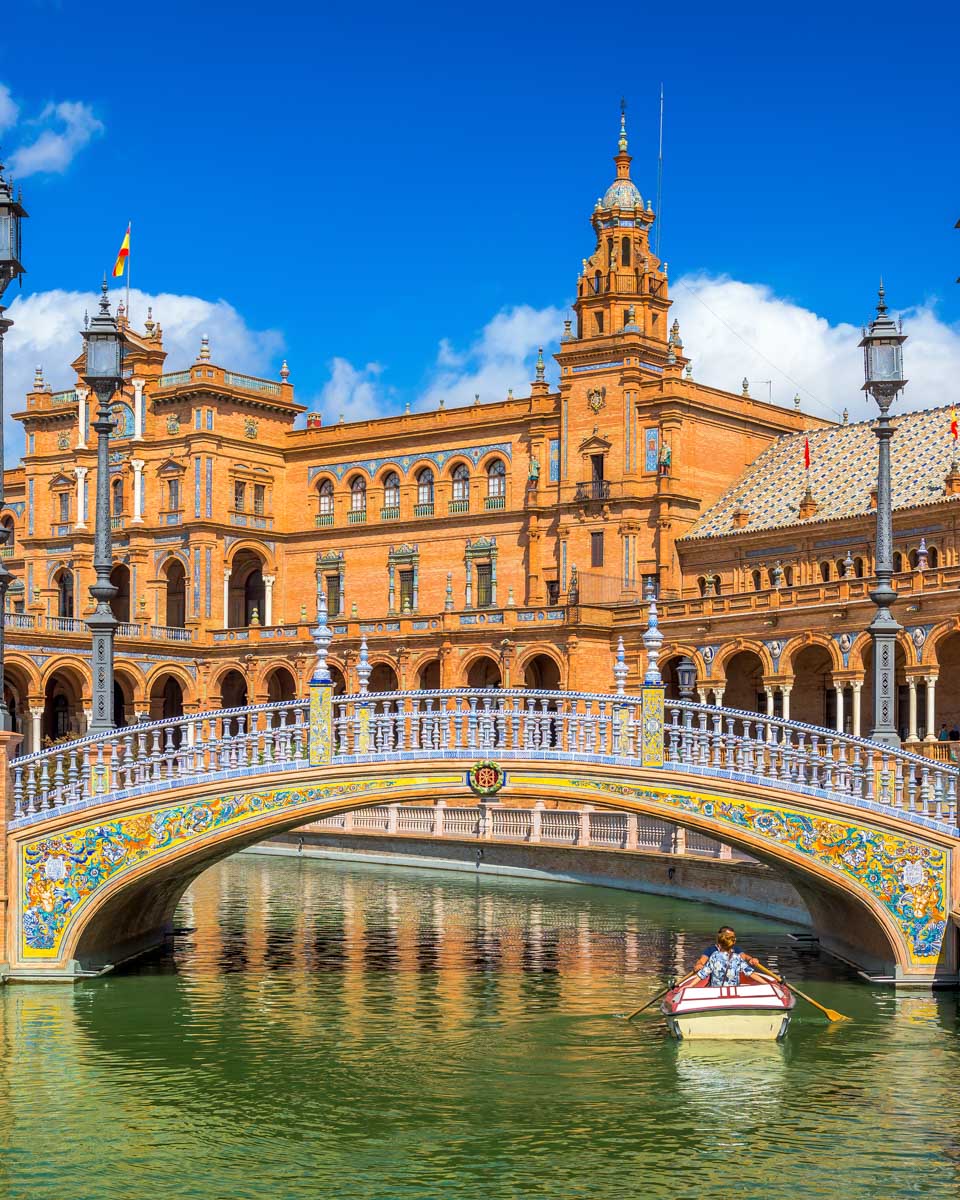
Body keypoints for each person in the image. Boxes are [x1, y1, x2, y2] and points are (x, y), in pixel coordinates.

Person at [689, 926, 766, 988]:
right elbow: (750, 973)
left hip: (716, 990)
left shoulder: (714, 956)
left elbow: (703, 974)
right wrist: (766, 984)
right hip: (734, 991)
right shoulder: (737, 957)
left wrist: (690, 986)